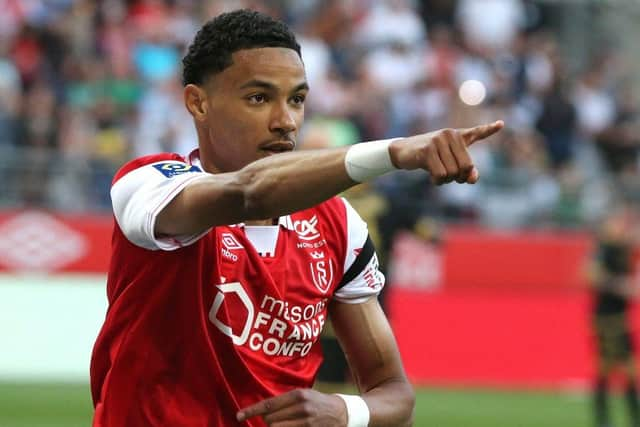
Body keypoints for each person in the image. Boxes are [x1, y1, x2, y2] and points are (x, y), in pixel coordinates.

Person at [90, 9, 504, 427]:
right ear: (198, 102)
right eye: (258, 98)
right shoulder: (148, 185)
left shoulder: (338, 225)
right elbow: (250, 192)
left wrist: (344, 411)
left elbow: (395, 396)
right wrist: (392, 153)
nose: (285, 121)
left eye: (297, 99)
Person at [589, 202, 640, 427]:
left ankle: (624, 417)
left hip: (621, 317)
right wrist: (620, 286)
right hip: (606, 318)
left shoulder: (623, 250)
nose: (621, 226)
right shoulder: (603, 250)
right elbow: (588, 275)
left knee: (628, 367)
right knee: (608, 366)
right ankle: (604, 418)